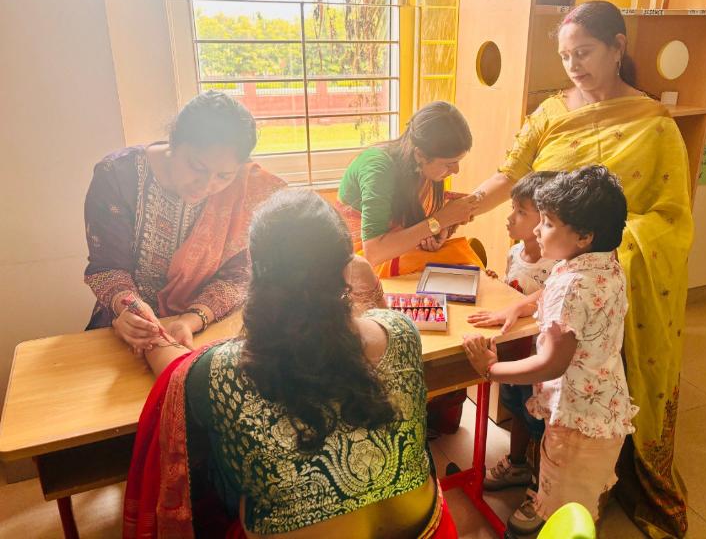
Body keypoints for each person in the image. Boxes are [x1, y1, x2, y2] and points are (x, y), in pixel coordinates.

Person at [469, 1, 694, 537]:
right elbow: (508, 175)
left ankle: (564, 494)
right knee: (535, 394)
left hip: (607, 274)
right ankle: (531, 464)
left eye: (585, 52)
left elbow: (671, 217)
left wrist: (613, 247)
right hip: (546, 274)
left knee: (570, 387)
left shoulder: (654, 124)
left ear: (618, 47)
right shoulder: (551, 112)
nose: (573, 65)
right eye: (565, 56)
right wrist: (453, 213)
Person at [123, 189, 458, 538]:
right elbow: (370, 322)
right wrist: (363, 276)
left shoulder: (218, 372)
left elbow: (178, 371)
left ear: (255, 272)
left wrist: (148, 335)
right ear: (346, 268)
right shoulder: (402, 332)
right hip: (424, 527)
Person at [464, 165, 638, 537]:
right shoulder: (604, 263)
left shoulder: (572, 286)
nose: (537, 230)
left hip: (577, 424)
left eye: (547, 223)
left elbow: (551, 364)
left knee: (566, 515)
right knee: (578, 503)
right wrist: (521, 305)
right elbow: (556, 291)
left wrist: (490, 369)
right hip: (602, 412)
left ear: (584, 236)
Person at [83, 90, 285, 351]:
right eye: (197, 167)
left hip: (205, 328)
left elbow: (238, 275)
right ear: (174, 141)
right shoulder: (117, 176)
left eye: (223, 176)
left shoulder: (243, 190)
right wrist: (128, 309)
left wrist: (191, 320)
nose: (206, 185)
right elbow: (108, 268)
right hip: (127, 325)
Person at [467, 171, 557, 495]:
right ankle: (517, 465)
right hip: (512, 351)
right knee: (517, 409)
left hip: (538, 358)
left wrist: (521, 305)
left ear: (545, 220)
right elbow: (514, 293)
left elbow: (546, 299)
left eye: (520, 212)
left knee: (540, 423)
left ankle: (539, 488)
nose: (510, 218)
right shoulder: (515, 252)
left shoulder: (556, 264)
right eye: (512, 208)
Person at [336, 101, 482, 278]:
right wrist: (440, 220)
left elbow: (415, 223)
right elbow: (373, 253)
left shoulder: (419, 166)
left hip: (390, 248)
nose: (456, 170)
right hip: (360, 259)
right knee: (454, 264)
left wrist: (437, 231)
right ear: (420, 154)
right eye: (449, 164)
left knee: (458, 257)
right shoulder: (378, 168)